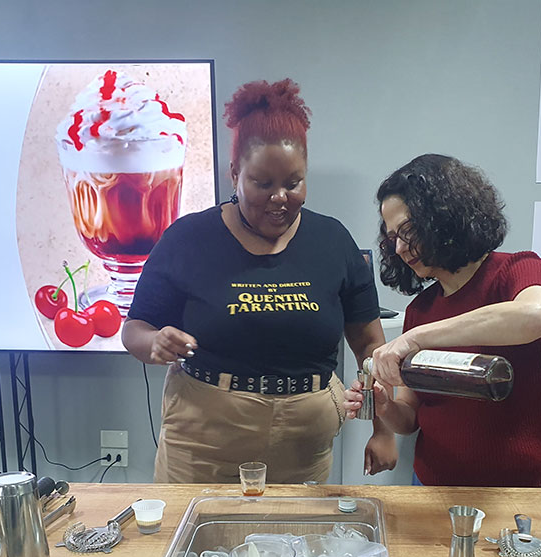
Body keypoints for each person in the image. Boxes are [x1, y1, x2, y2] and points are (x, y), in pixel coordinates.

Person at [122, 79, 396, 483]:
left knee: (298, 527)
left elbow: (372, 348)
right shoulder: (188, 239)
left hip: (304, 445)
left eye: (292, 183)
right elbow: (134, 330)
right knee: (192, 526)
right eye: (262, 183)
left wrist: (383, 429)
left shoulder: (333, 241)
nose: (279, 197)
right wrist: (154, 342)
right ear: (235, 173)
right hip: (204, 444)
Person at [344, 154, 541, 487]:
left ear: (442, 217)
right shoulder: (421, 310)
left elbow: (536, 316)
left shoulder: (518, 271)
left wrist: (416, 338)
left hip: (525, 490)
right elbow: (410, 417)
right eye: (393, 238)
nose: (401, 248)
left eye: (408, 230)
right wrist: (384, 405)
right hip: (434, 488)